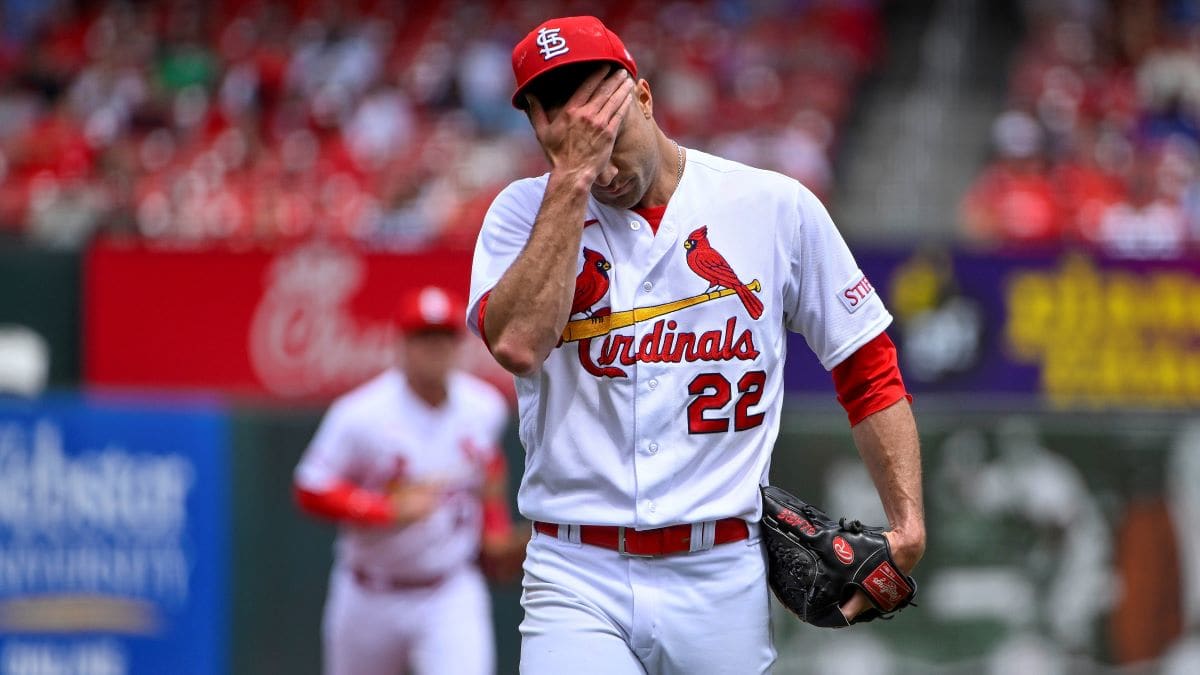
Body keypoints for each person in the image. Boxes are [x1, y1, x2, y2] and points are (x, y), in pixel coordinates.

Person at [467, 15, 926, 674]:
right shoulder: (523, 215)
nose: (597, 159)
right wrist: (569, 182)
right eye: (567, 140)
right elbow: (516, 342)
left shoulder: (771, 206)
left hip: (720, 570)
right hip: (576, 571)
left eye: (606, 130)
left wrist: (906, 521)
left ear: (645, 98)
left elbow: (866, 363)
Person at [293, 285, 520, 675]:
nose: (435, 349)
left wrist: (496, 527)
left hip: (450, 590)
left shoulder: (484, 407)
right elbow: (310, 486)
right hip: (370, 592)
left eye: (443, 338)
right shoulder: (361, 413)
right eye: (423, 338)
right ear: (402, 344)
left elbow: (489, 467)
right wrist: (383, 508)